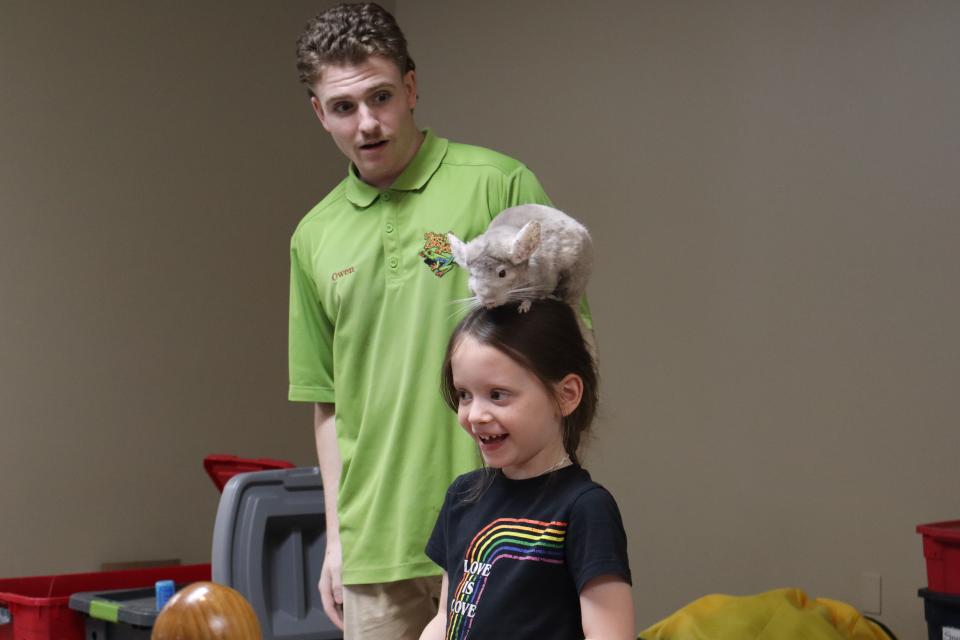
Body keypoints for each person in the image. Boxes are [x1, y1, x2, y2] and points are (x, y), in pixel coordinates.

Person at [288, 4, 559, 638]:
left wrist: (553, 511)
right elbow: (327, 404)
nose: (369, 123)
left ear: (411, 87)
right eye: (344, 107)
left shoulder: (496, 184)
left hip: (501, 529)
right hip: (375, 546)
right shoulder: (313, 237)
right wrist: (338, 540)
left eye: (381, 96)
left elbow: (564, 353)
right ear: (319, 113)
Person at [420, 299, 634, 639]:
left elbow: (610, 633)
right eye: (464, 394)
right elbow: (446, 617)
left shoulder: (585, 507)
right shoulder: (462, 496)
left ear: (567, 394)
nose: (475, 415)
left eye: (498, 395)